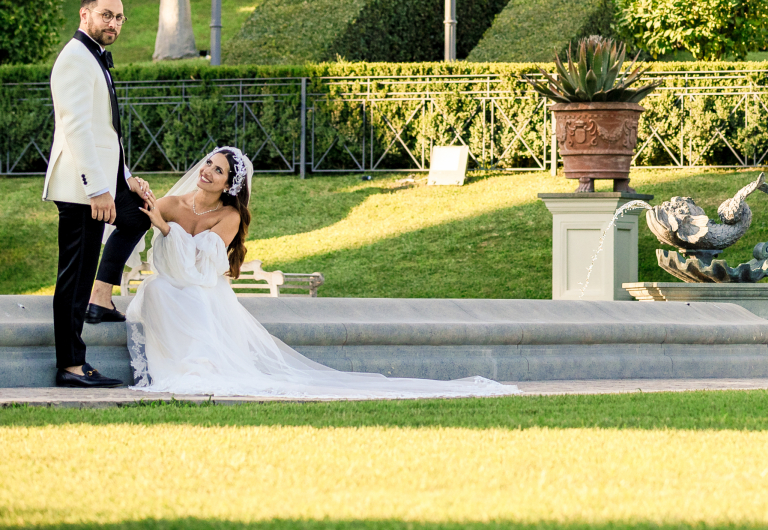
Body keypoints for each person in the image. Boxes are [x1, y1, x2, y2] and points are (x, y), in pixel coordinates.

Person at [126, 146, 518, 400]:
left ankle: (201, 366)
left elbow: (201, 270)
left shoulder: (229, 215)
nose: (208, 172)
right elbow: (138, 227)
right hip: (169, 286)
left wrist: (167, 230)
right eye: (209, 164)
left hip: (200, 291)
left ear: (230, 184)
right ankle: (186, 365)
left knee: (194, 294)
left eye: (219, 170)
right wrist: (142, 196)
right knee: (160, 290)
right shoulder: (172, 203)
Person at [45, 0, 154, 389]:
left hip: (103, 181)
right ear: (85, 14)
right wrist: (97, 190)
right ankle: (71, 365)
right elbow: (77, 129)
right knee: (74, 277)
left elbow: (106, 132)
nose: (114, 23)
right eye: (106, 15)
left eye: (119, 17)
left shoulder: (94, 58)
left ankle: (100, 298)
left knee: (138, 215)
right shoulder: (75, 58)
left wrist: (125, 179)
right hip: (80, 188)